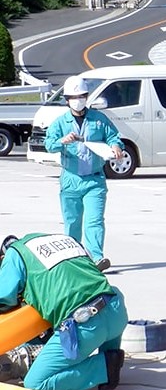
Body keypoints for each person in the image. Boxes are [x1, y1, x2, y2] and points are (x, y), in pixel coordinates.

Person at [0, 233, 128, 390]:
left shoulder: (15, 253)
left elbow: (4, 298)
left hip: (86, 323)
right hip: (116, 308)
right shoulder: (64, 239)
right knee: (104, 334)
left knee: (34, 382)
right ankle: (112, 357)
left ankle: (105, 368)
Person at [44, 76, 124, 272]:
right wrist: (62, 141)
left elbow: (114, 136)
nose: (78, 99)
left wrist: (115, 146)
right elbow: (49, 144)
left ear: (87, 97)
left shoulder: (98, 119)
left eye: (81, 96)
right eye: (74, 96)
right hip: (71, 180)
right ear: (67, 99)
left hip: (95, 179)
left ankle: (97, 257)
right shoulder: (60, 122)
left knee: (94, 220)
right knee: (72, 221)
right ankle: (73, 258)